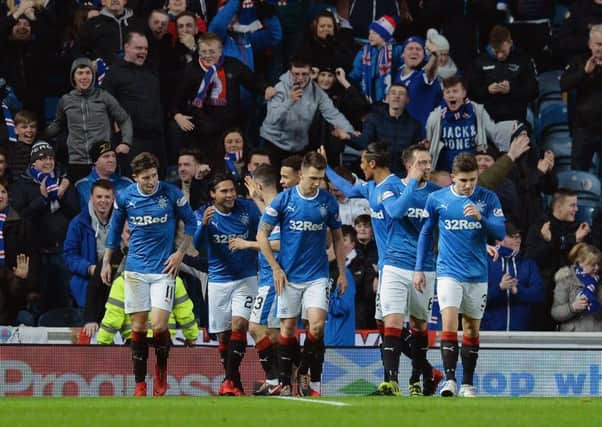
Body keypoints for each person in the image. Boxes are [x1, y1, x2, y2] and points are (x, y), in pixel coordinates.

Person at [100, 152, 197, 397]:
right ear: (135, 178)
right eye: (145, 178)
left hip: (164, 269)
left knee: (159, 323)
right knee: (139, 325)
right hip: (135, 270)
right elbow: (113, 231)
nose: (151, 181)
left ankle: (161, 368)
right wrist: (107, 261)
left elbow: (192, 223)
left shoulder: (171, 194)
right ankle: (140, 383)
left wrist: (180, 254)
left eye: (154, 176)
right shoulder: (124, 197)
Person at [413, 152, 506, 397]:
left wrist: (480, 218)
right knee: (449, 325)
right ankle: (450, 381)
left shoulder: (488, 198)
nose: (468, 186)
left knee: (472, 330)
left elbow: (500, 231)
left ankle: (467, 384)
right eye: (463, 180)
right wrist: (419, 268)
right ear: (453, 177)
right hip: (448, 272)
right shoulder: (437, 199)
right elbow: (425, 233)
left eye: (472, 180)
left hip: (477, 274)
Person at [257, 151, 347, 397]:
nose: (316, 183)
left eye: (319, 178)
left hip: (317, 275)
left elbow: (338, 238)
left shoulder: (327, 202)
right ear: (301, 174)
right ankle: (285, 382)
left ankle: (305, 372)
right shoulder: (283, 201)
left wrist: (342, 272)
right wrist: (275, 268)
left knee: (316, 327)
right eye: (311, 178)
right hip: (289, 276)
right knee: (286, 329)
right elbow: (261, 234)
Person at [378, 144, 442, 396]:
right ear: (409, 165)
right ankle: (391, 382)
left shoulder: (437, 194)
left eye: (429, 163)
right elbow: (395, 211)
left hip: (425, 267)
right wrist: (412, 184)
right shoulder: (391, 187)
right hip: (394, 264)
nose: (427, 167)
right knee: (392, 321)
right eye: (422, 163)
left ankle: (416, 379)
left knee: (419, 326)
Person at [193, 173, 261, 396]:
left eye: (232, 190)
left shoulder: (247, 209)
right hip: (218, 280)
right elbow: (196, 248)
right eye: (224, 191)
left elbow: (265, 232)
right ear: (213, 194)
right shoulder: (204, 215)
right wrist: (203, 226)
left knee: (240, 325)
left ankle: (228, 380)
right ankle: (235, 382)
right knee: (223, 336)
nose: (230, 194)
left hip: (246, 276)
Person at [229, 164, 282, 395]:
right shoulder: (273, 207)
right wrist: (258, 200)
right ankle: (283, 381)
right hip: (267, 278)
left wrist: (247, 244)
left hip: (273, 278)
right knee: (273, 334)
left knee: (256, 329)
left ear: (259, 186)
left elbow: (282, 243)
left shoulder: (281, 205)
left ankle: (277, 381)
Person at [12, 142, 80, 315]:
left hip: (62, 250)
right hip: (36, 253)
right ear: (33, 162)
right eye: (43, 158)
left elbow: (75, 212)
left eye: (51, 158)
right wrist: (43, 199)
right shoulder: (22, 184)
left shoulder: (63, 181)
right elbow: (23, 216)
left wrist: (61, 196)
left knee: (66, 297)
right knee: (38, 300)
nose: (48, 162)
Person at [44, 57, 133, 182]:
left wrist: (126, 142)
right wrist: (41, 135)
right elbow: (58, 124)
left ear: (93, 75)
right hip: (76, 162)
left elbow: (124, 119)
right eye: (80, 73)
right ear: (73, 77)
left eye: (88, 72)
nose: (84, 77)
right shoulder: (65, 100)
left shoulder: (104, 96)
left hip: (102, 160)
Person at [260, 55, 354, 168]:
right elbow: (272, 119)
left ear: (311, 72)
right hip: (273, 144)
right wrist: (290, 101)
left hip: (298, 147)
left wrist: (351, 134)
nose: (300, 78)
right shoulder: (280, 88)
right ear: (290, 73)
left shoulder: (317, 92)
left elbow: (333, 114)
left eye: (304, 74)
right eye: (296, 74)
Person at [525, 189, 592, 331]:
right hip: (544, 299)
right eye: (572, 205)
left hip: (573, 298)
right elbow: (531, 261)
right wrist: (566, 240)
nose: (576, 209)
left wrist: (571, 240)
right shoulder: (539, 227)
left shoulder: (579, 229)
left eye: (576, 205)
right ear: (558, 206)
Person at [101, 32, 167, 174]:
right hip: (131, 139)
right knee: (135, 179)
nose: (143, 52)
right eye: (138, 48)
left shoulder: (152, 71)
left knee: (159, 180)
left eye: (145, 49)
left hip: (156, 138)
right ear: (127, 47)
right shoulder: (114, 72)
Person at [338, 84, 422, 176]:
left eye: (401, 94)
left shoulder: (414, 125)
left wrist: (422, 147)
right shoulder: (374, 119)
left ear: (407, 100)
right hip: (378, 174)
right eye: (393, 93)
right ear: (387, 98)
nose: (397, 96)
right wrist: (347, 137)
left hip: (402, 176)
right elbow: (364, 142)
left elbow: (415, 153)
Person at [481, 222, 545, 331]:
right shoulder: (485, 263)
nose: (517, 239)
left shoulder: (528, 264)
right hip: (490, 334)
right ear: (498, 240)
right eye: (512, 236)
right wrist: (500, 288)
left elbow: (539, 294)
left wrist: (518, 291)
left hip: (521, 334)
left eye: (518, 236)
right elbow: (475, 299)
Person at [470, 25, 538, 123]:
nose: (500, 55)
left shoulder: (523, 59)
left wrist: (511, 89)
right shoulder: (480, 61)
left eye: (503, 51)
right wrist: (487, 90)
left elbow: (534, 91)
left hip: (516, 117)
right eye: (496, 51)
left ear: (510, 43)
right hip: (488, 119)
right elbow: (471, 93)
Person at [64, 179, 114, 311]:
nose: (103, 200)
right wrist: (89, 269)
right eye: (99, 196)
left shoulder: (122, 222)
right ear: (91, 197)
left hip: (116, 284)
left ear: (113, 198)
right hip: (87, 284)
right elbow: (69, 255)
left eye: (107, 196)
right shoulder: (78, 223)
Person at [426, 76, 494, 172]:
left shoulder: (477, 111)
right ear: (443, 95)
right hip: (445, 172)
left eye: (455, 91)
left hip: (473, 171)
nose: (451, 95)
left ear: (464, 93)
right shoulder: (435, 116)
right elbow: (429, 143)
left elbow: (494, 133)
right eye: (447, 92)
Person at [560, 24, 602, 176]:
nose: (600, 48)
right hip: (583, 129)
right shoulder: (578, 61)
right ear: (590, 44)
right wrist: (584, 72)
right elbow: (563, 84)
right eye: (598, 44)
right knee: (578, 175)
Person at [349, 15, 403, 104]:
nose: (370, 36)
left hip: (387, 99)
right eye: (369, 33)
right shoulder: (364, 51)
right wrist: (348, 79)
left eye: (374, 33)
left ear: (384, 35)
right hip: (366, 97)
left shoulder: (396, 50)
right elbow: (356, 72)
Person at [393, 35, 442, 127]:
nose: (414, 52)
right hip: (399, 132)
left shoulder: (425, 76)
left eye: (418, 49)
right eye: (410, 48)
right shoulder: (397, 73)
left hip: (420, 135)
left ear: (424, 55)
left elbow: (430, 69)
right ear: (402, 54)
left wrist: (435, 55)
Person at [552, 243, 602, 331]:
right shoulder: (565, 279)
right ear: (580, 263)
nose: (597, 268)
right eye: (592, 264)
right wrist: (573, 307)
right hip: (573, 335)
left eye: (598, 264)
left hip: (596, 334)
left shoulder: (599, 282)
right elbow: (555, 313)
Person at [78, 0, 146, 65]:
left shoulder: (138, 24)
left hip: (136, 73)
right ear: (103, 1)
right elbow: (79, 52)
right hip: (103, 75)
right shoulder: (91, 24)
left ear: (125, 1)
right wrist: (90, 64)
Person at [74, 141, 133, 209]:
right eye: (106, 156)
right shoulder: (82, 185)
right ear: (95, 161)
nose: (111, 160)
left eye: (113, 156)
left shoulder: (127, 183)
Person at [324, 239, 356, 347]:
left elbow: (343, 307)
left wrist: (322, 299)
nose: (325, 252)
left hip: (340, 343)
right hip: (324, 340)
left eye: (328, 248)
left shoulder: (344, 275)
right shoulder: (321, 274)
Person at [7, 110, 38, 179]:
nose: (29, 130)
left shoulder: (40, 148)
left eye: (32, 126)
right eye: (24, 127)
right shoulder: (10, 150)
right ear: (15, 130)